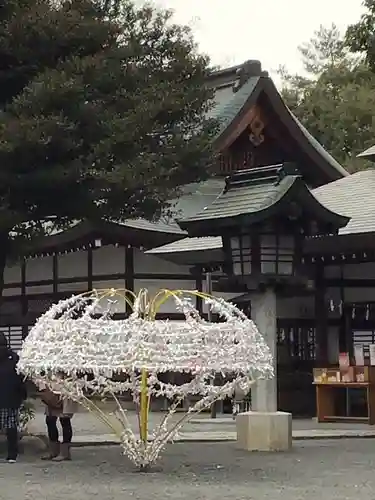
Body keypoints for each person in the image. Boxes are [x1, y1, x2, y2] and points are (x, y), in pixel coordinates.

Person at [0, 333, 27, 463]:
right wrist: (22, 394)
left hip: (7, 395)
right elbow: (20, 378)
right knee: (11, 426)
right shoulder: (14, 357)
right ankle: (12, 455)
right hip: (11, 397)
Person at [40, 386, 77, 461]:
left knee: (64, 420)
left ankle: (65, 452)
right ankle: (54, 450)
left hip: (66, 388)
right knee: (50, 419)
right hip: (52, 389)